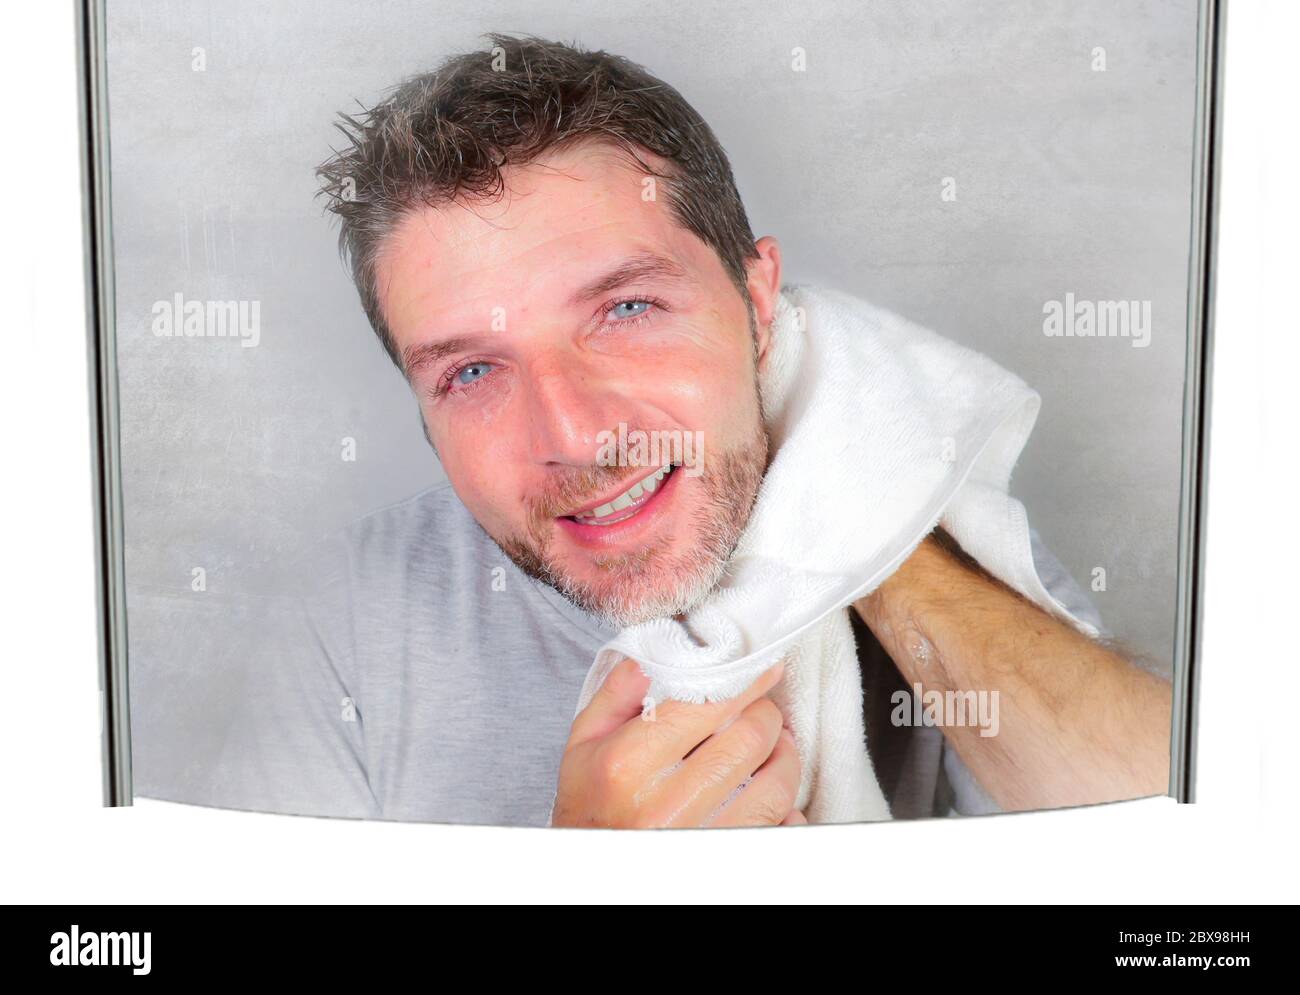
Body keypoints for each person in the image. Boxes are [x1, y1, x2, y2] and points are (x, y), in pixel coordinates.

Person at [260, 33, 1172, 828]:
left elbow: (1180, 872)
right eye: (471, 371)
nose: (574, 435)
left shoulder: (919, 507)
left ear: (757, 300)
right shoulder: (343, 618)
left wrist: (860, 527)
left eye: (625, 308)